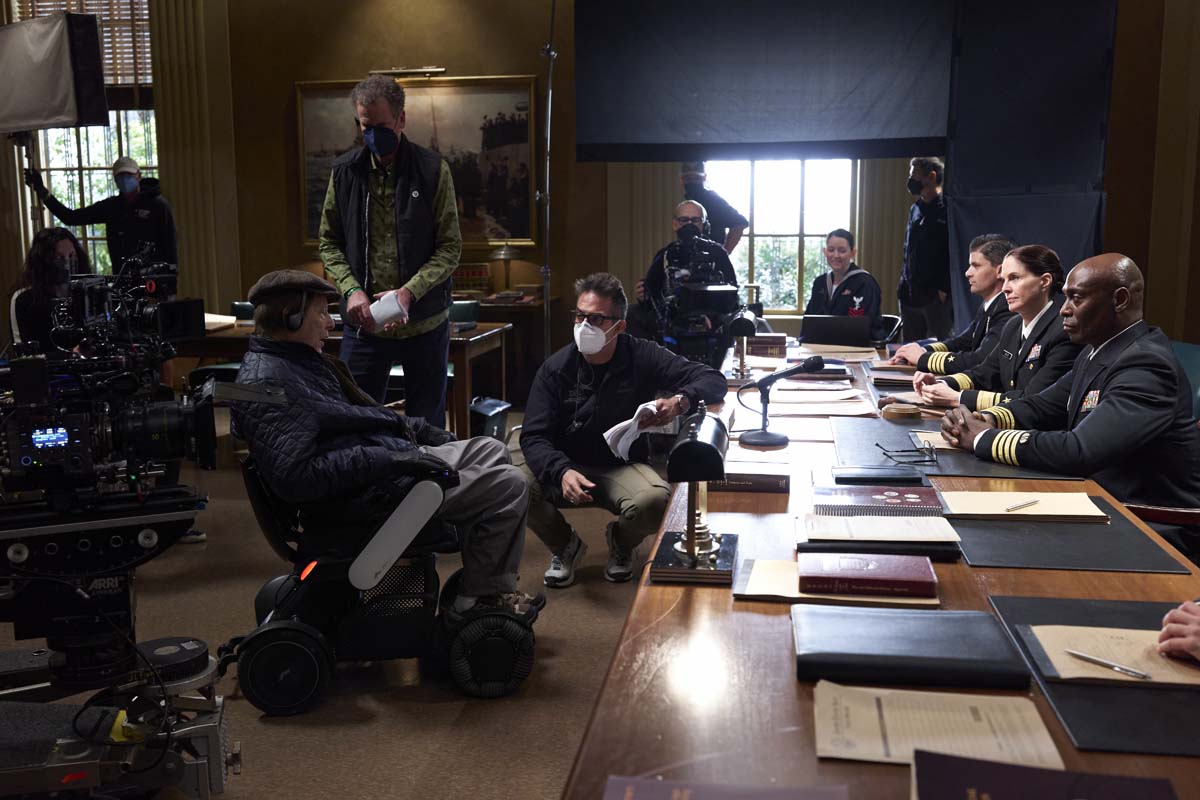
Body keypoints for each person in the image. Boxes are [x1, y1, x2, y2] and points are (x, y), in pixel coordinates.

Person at [230, 269, 540, 616]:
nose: (329, 323)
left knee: (491, 449)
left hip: (375, 473)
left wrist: (420, 431)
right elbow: (298, 476)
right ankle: (478, 600)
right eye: (321, 313)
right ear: (292, 318)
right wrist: (391, 460)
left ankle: (484, 576)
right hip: (361, 498)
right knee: (509, 484)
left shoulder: (294, 362)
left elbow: (357, 416)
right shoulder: (268, 383)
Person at [939, 254, 1200, 516]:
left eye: (1077, 298)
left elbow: (1081, 450)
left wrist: (983, 437)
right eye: (1065, 297)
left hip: (1148, 520)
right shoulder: (1097, 351)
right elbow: (1042, 405)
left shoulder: (1146, 364)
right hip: (1099, 500)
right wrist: (985, 418)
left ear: (1119, 300)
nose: (1064, 309)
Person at [519, 273, 727, 587]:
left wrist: (680, 402)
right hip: (566, 463)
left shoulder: (642, 354)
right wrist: (560, 470)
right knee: (513, 485)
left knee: (656, 502)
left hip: (619, 464)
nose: (584, 326)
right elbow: (534, 436)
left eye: (595, 319)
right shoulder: (556, 368)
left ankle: (621, 541)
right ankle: (565, 546)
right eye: (579, 316)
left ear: (619, 326)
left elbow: (713, 380)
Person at [318, 74, 461, 427]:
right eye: (364, 126)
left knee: (426, 428)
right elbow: (329, 243)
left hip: (424, 323)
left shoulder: (432, 171)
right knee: (356, 423)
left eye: (380, 126)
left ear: (401, 119)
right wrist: (351, 290)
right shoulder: (344, 173)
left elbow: (449, 247)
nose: (371, 135)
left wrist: (408, 293)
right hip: (363, 325)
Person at [912, 244, 1079, 411]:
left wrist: (958, 398)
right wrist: (942, 383)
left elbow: (1032, 399)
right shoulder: (1013, 325)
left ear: (1045, 282)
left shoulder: (1064, 331)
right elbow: (984, 373)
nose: (1005, 288)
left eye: (1014, 278)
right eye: (1004, 280)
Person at [891, 233, 1017, 373]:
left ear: (1000, 271)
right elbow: (963, 342)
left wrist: (923, 358)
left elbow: (979, 360)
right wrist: (922, 350)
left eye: (976, 266)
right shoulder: (992, 304)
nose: (968, 273)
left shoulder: (1007, 308)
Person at [24, 157, 177, 271]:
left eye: (129, 175)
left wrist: (170, 283)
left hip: (154, 280)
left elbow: (170, 246)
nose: (125, 180)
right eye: (120, 177)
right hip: (123, 280)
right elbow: (71, 217)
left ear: (139, 175)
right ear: (115, 180)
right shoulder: (112, 207)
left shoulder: (158, 206)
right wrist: (42, 191)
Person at [10, 227, 91, 357]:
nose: (67, 263)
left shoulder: (87, 293)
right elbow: (25, 356)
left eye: (72, 256)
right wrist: (72, 354)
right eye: (58, 257)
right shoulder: (24, 299)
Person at [898, 156, 952, 341]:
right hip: (909, 295)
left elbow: (950, 252)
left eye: (915, 175)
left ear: (931, 176)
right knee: (909, 348)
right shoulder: (915, 208)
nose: (910, 180)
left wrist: (943, 289)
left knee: (938, 348)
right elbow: (908, 250)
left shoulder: (947, 209)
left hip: (934, 297)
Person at [803, 228, 884, 341]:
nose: (836, 255)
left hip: (859, 346)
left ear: (853, 253)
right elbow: (808, 322)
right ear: (825, 252)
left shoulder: (865, 283)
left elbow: (863, 326)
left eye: (842, 251)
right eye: (831, 250)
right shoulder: (820, 283)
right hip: (821, 344)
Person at [680, 162, 748, 254]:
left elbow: (740, 222)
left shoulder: (712, 200)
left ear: (704, 178)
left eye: (696, 178)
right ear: (682, 179)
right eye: (688, 178)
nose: (692, 182)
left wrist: (724, 253)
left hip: (710, 257)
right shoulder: (687, 200)